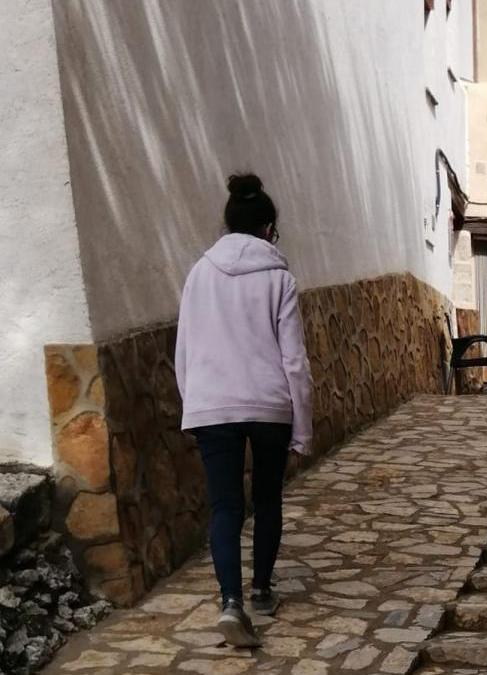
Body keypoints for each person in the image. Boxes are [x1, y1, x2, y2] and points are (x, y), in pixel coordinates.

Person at [174, 173, 312, 648]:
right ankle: (262, 590)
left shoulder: (199, 273)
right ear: (268, 228)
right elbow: (294, 360)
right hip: (268, 403)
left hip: (212, 403)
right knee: (268, 498)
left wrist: (193, 404)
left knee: (225, 506)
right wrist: (303, 428)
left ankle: (229, 600)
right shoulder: (279, 277)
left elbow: (185, 348)